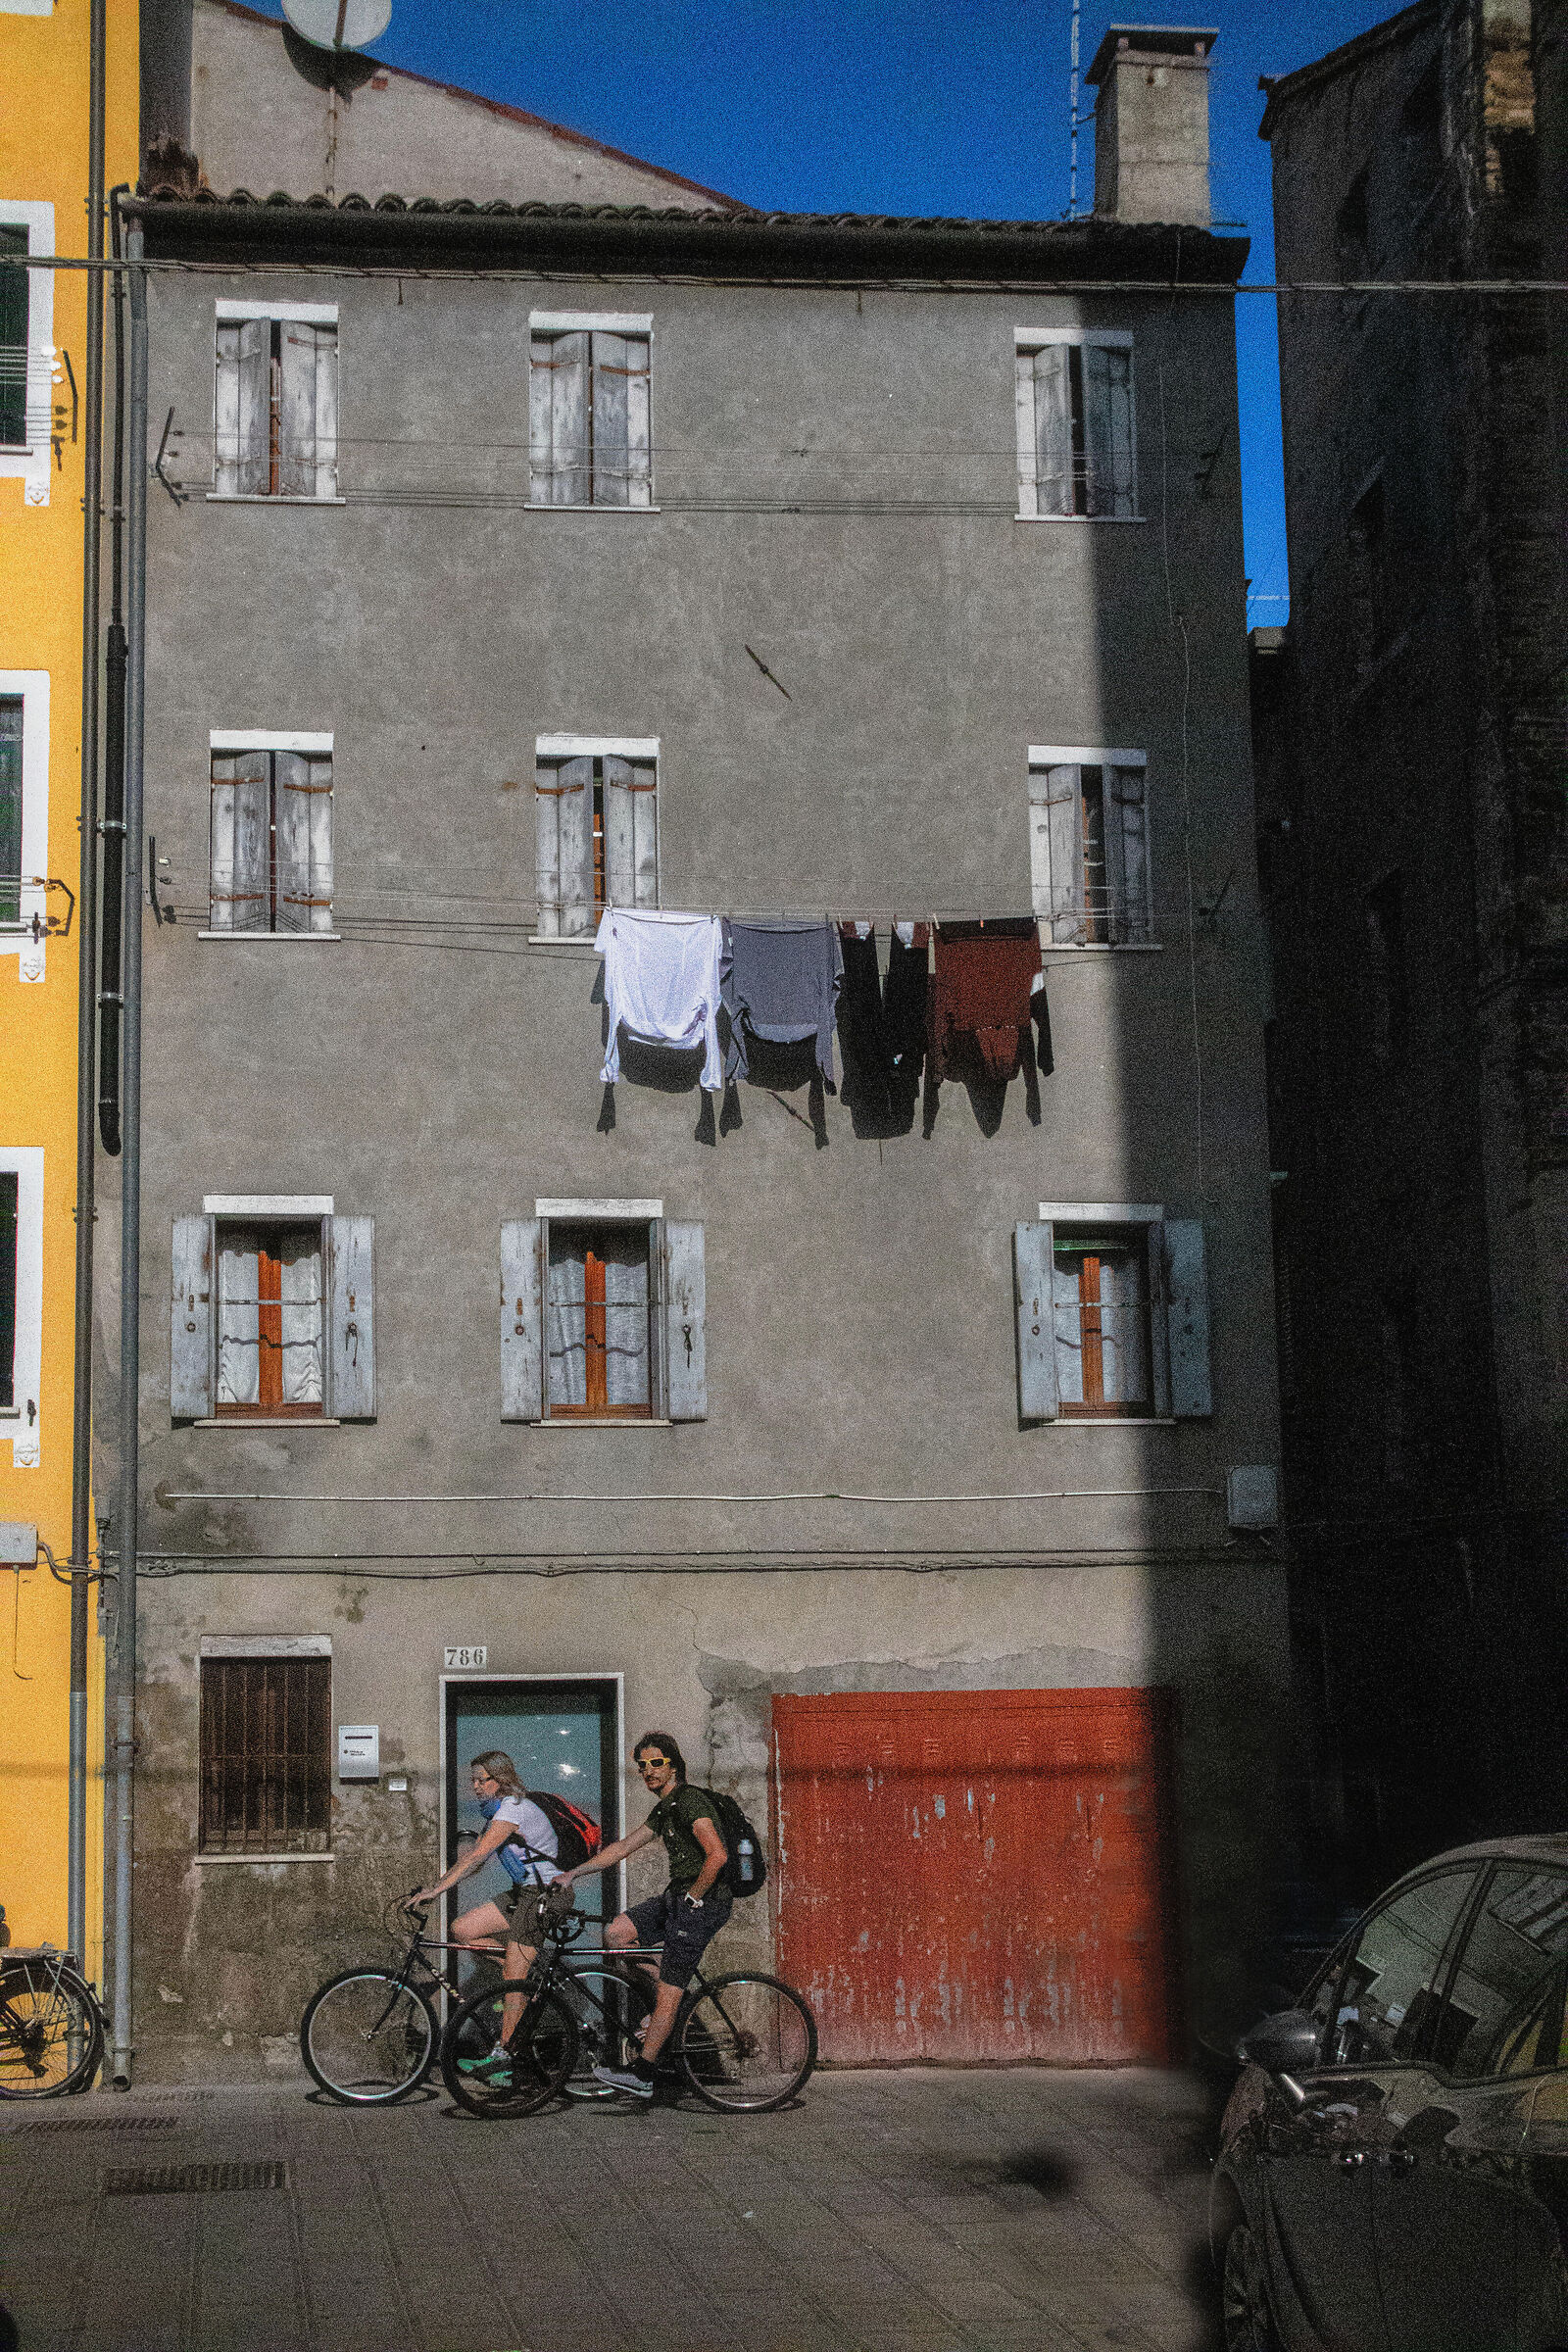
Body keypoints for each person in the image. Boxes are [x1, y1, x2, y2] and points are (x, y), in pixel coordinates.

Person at [557, 1730, 729, 2099]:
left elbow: (717, 1855)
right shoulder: (665, 1807)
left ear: (673, 1766)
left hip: (703, 1900)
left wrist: (695, 1897)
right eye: (641, 1766)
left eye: (655, 1763)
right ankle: (666, 2008)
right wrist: (575, 1872)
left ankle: (645, 2072)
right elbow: (622, 1847)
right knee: (617, 1936)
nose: (647, 1771)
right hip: (677, 1896)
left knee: (670, 1983)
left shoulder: (689, 1801)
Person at [411, 1749, 560, 2080]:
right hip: (524, 1892)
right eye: (473, 1780)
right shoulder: (495, 1815)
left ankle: (504, 2057)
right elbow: (475, 1862)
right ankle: (530, 1969)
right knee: (463, 1930)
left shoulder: (513, 1808)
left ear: (501, 1780)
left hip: (547, 1894)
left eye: (483, 1779)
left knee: (512, 1979)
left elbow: (477, 1856)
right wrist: (439, 1883)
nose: (476, 1786)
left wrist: (436, 1891)